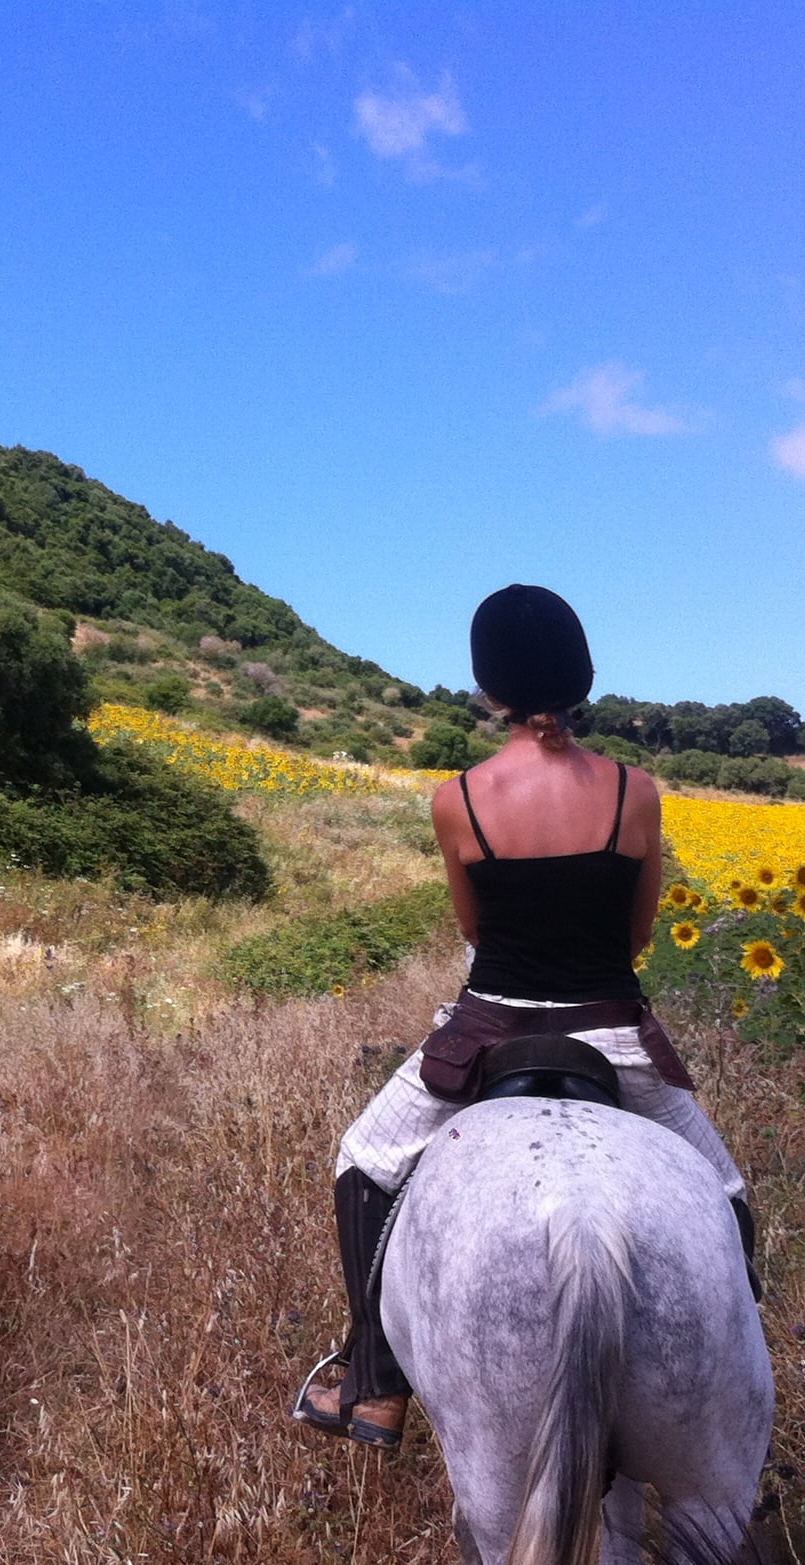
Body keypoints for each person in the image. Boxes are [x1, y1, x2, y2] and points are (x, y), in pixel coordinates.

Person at [294, 584, 755, 1450]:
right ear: (582, 678)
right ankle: (733, 1384)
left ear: (487, 688)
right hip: (615, 1030)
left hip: (490, 1029)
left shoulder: (459, 799)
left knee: (365, 1156)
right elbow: (640, 930)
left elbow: (473, 929)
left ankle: (377, 1379)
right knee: (725, 1193)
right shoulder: (635, 792)